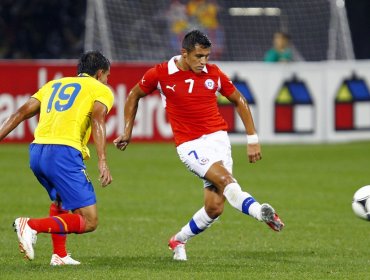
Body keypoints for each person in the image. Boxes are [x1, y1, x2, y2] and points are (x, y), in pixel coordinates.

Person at [114, 30, 284, 261]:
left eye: (207, 56)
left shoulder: (213, 73)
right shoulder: (161, 73)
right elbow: (134, 95)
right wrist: (127, 131)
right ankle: (260, 212)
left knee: (215, 207)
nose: (203, 62)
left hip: (219, 141)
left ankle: (178, 240)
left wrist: (252, 138)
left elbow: (239, 100)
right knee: (226, 181)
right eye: (198, 56)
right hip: (190, 145)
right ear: (184, 53)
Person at [0, 50, 114, 265]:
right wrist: (102, 160)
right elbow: (98, 119)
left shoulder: (54, 85)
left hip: (37, 152)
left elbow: (20, 113)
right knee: (89, 220)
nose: (107, 81)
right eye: (107, 76)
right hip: (63, 153)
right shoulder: (101, 89)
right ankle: (30, 225)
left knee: (60, 201)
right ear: (100, 73)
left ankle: (59, 255)